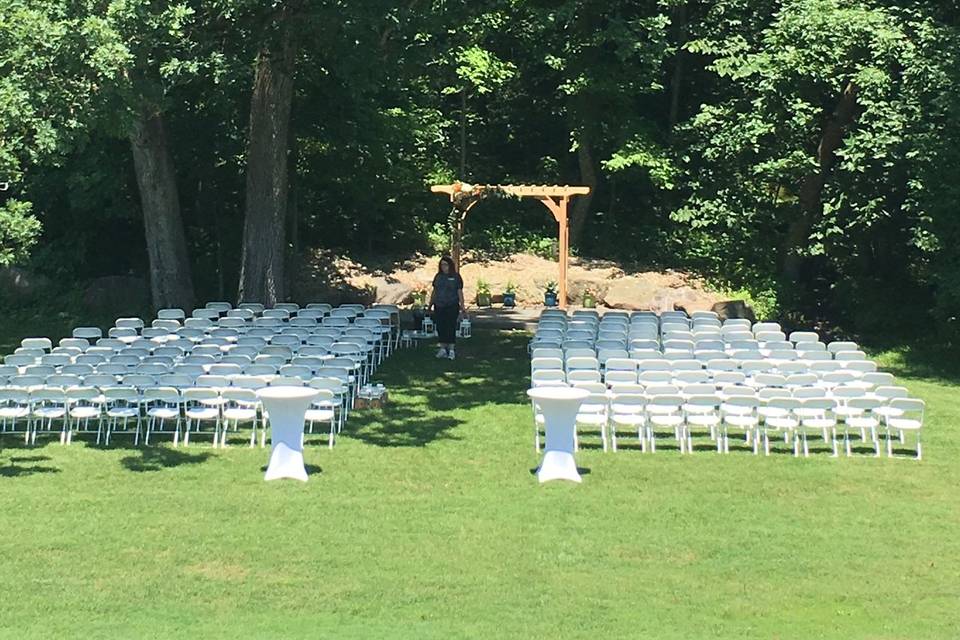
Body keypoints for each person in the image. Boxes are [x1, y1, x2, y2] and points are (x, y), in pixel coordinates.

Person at [429, 255, 465, 360]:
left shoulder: (456, 277)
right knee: (441, 326)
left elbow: (459, 292)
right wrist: (430, 304)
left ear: (450, 265)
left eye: (445, 265)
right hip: (439, 305)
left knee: (451, 326)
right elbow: (434, 291)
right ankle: (442, 348)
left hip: (452, 305)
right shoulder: (438, 277)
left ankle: (451, 349)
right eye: (442, 265)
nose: (444, 267)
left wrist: (462, 306)